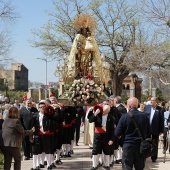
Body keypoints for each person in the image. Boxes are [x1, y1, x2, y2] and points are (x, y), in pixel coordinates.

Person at [115, 97, 150, 170]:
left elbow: (117, 132)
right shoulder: (144, 116)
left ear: (129, 106)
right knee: (139, 167)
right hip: (140, 146)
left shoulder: (124, 117)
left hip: (128, 145)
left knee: (127, 167)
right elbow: (149, 132)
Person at [88, 104, 115, 170]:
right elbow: (90, 120)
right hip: (98, 135)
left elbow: (112, 130)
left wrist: (111, 139)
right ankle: (94, 165)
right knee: (95, 150)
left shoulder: (111, 118)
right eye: (103, 110)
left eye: (105, 111)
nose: (103, 112)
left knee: (107, 151)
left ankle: (107, 165)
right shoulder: (98, 115)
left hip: (106, 136)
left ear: (108, 111)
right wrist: (95, 113)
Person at [144, 96, 164, 162]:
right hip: (147, 128)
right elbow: (144, 117)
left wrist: (161, 130)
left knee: (155, 143)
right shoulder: (147, 107)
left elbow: (161, 120)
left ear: (156, 102)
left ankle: (154, 157)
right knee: (146, 142)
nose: (151, 102)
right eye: (150, 100)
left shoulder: (160, 109)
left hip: (156, 128)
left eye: (152, 100)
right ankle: (145, 155)